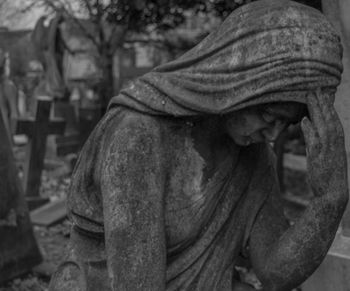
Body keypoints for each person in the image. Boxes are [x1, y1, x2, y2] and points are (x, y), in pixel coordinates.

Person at [49, 0, 348, 290]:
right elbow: (138, 284)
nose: (272, 135)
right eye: (269, 115)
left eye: (287, 124)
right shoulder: (138, 136)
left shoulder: (253, 156)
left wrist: (330, 199)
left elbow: (275, 273)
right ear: (239, 85)